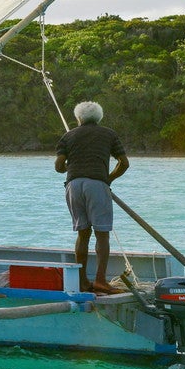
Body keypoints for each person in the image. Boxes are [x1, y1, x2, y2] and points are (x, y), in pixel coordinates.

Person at [54, 100, 129, 295]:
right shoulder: (109, 134)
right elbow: (124, 163)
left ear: (78, 118)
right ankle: (100, 281)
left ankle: (82, 282)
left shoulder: (68, 136)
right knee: (102, 234)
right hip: (97, 184)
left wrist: (71, 166)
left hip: (73, 186)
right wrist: (108, 179)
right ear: (99, 117)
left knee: (83, 233)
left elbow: (59, 167)